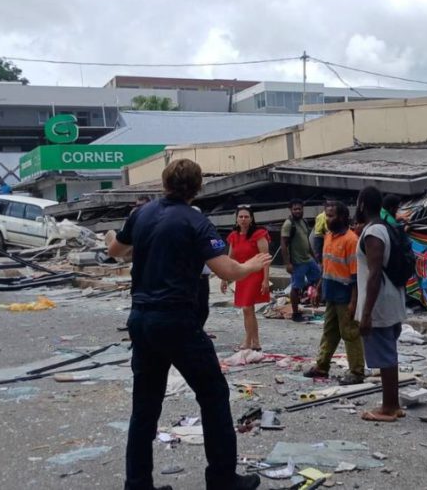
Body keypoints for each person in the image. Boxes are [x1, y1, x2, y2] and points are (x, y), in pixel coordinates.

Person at [107, 158, 270, 490]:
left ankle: (137, 484)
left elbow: (116, 250)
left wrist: (111, 233)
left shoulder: (142, 214)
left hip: (141, 319)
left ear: (165, 182)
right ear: (197, 189)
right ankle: (222, 479)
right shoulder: (196, 222)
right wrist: (252, 263)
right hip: (177, 320)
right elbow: (226, 270)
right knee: (212, 394)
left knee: (145, 406)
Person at [354, 186, 408, 422]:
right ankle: (392, 404)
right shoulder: (386, 227)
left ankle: (388, 408)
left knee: (385, 355)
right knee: (389, 355)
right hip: (392, 297)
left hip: (379, 301)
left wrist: (366, 314)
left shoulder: (373, 232)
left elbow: (374, 273)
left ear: (362, 204)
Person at [304, 201, 365, 385]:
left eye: (331, 216)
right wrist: (319, 287)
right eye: (326, 215)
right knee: (329, 332)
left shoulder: (351, 240)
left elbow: (356, 276)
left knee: (350, 333)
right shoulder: (329, 237)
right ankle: (322, 366)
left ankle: (356, 371)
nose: (327, 219)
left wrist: (354, 302)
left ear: (342, 217)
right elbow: (327, 266)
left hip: (345, 296)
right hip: (331, 294)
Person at [221, 206, 271, 351]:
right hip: (241, 274)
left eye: (246, 217)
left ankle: (248, 341)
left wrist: (265, 279)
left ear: (251, 219)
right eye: (241, 217)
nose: (243, 219)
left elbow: (266, 258)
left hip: (256, 274)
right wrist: (224, 278)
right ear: (236, 219)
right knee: (249, 310)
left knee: (247, 308)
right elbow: (230, 258)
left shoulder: (259, 234)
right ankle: (256, 343)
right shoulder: (234, 236)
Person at [280, 199, 320, 322]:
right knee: (296, 287)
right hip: (297, 262)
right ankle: (296, 313)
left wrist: (314, 256)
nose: (298, 211)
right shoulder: (288, 224)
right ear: (291, 210)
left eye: (299, 208)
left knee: (319, 278)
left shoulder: (303, 222)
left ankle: (314, 300)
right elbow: (283, 244)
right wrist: (287, 263)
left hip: (308, 259)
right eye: (295, 209)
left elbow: (307, 241)